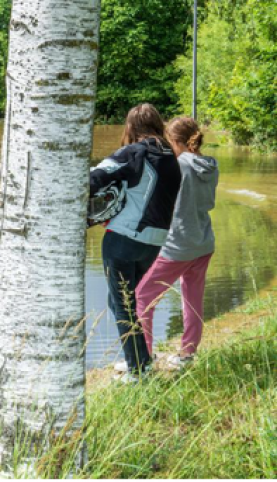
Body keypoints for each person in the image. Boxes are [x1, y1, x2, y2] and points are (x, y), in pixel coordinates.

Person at [90, 103, 182, 382]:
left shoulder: (136, 152)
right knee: (123, 302)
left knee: (123, 304)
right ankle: (141, 361)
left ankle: (139, 372)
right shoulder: (170, 157)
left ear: (131, 127)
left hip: (124, 239)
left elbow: (94, 178)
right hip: (153, 243)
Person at [135, 117, 218, 370]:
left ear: (174, 141)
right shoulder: (210, 165)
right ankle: (187, 354)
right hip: (203, 242)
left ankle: (144, 357)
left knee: (142, 296)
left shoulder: (178, 165)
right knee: (192, 299)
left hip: (177, 246)